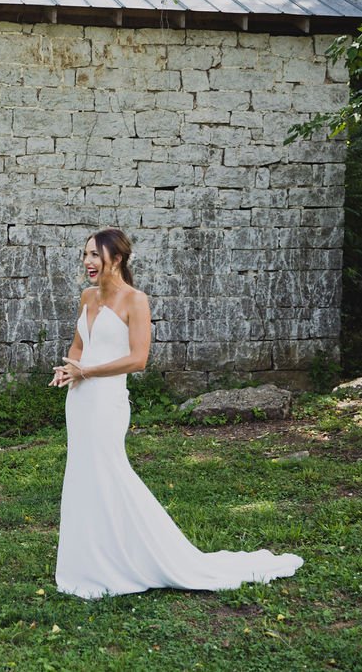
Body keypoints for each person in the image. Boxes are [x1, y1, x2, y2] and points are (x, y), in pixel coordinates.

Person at [50, 228, 303, 599]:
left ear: (116, 259)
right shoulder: (87, 297)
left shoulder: (135, 301)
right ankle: (91, 561)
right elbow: (78, 346)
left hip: (106, 402)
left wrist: (87, 371)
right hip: (80, 400)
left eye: (94, 255)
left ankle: (143, 554)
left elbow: (138, 359)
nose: (87, 262)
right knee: (83, 476)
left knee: (110, 473)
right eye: (85, 254)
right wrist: (68, 368)